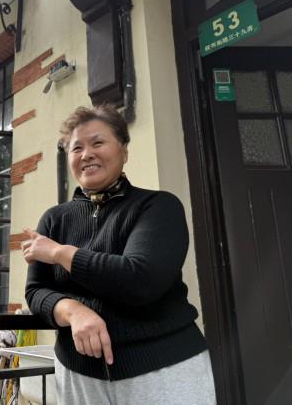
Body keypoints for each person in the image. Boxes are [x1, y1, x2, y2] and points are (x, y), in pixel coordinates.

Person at [23, 104, 216, 404]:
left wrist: (60, 253)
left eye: (98, 142)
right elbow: (36, 291)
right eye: (76, 148)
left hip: (164, 368)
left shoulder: (158, 207)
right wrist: (72, 310)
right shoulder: (54, 219)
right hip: (77, 374)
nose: (87, 154)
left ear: (124, 151)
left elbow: (141, 279)